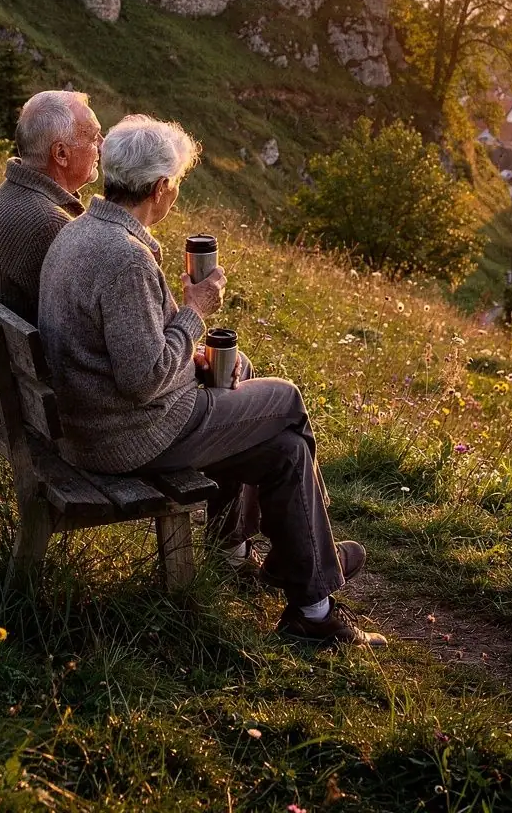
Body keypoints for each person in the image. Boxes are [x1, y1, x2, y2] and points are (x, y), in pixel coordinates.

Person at [39, 113, 386, 647]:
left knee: (284, 450)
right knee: (287, 403)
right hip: (128, 437)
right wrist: (195, 310)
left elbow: (125, 349)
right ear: (160, 188)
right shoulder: (124, 258)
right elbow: (143, 377)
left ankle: (303, 593)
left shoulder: (80, 231)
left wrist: (182, 337)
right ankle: (309, 566)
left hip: (89, 423)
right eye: (175, 183)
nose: (175, 193)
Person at [0, 89, 102, 323]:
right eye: (93, 137)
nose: (102, 146)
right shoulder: (51, 223)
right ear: (61, 153)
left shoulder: (8, 191)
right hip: (21, 358)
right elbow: (94, 317)